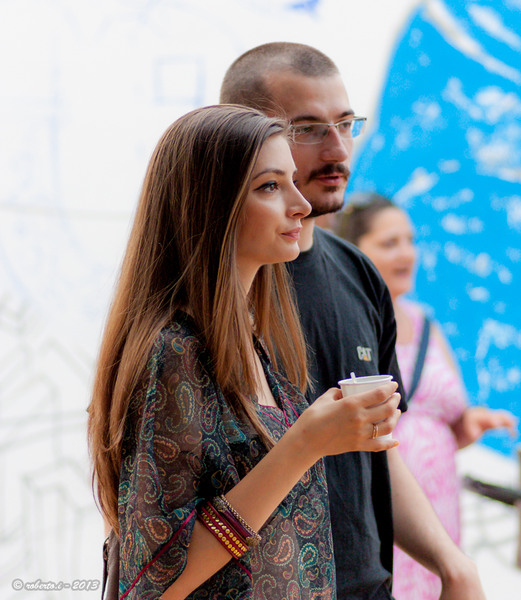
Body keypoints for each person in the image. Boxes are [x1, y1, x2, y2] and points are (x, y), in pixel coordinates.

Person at [87, 105, 402, 600]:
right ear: (211, 205)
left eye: (292, 181)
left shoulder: (257, 341)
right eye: (270, 186)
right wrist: (304, 445)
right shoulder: (175, 352)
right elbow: (154, 581)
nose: (300, 205)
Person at [220, 42, 487, 599]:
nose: (338, 149)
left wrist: (451, 565)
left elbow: (376, 448)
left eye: (345, 124)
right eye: (308, 129)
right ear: (245, 137)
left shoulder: (359, 275)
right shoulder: (210, 290)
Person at [335, 192, 517, 600]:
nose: (407, 253)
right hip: (384, 514)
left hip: (439, 511)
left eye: (410, 241)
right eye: (389, 243)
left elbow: (443, 422)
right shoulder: (350, 325)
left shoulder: (427, 325)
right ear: (354, 252)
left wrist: (469, 424)